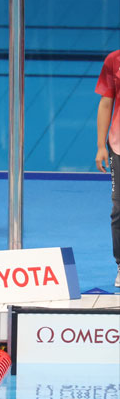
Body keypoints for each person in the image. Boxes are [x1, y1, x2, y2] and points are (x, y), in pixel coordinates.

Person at [94, 49, 120, 288]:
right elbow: (106, 102)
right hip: (119, 145)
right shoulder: (114, 60)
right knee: (119, 208)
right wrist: (101, 145)